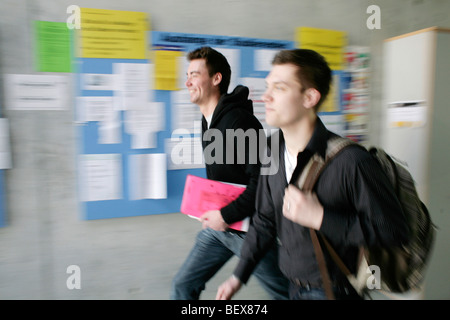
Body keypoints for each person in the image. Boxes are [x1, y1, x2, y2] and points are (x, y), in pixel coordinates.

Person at [216, 49, 410, 300]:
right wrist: (238, 276)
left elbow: (393, 231)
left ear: (309, 97)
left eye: (280, 88)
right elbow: (264, 221)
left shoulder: (351, 161)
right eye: (267, 86)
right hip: (292, 288)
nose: (266, 97)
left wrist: (320, 217)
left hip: (334, 291)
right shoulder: (273, 150)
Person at [170, 46, 289, 300]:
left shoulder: (240, 122)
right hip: (220, 227)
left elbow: (263, 183)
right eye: (187, 74)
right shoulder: (208, 120)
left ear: (216, 79)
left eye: (194, 74)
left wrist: (226, 215)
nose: (187, 81)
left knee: (288, 294)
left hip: (249, 231)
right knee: (182, 286)